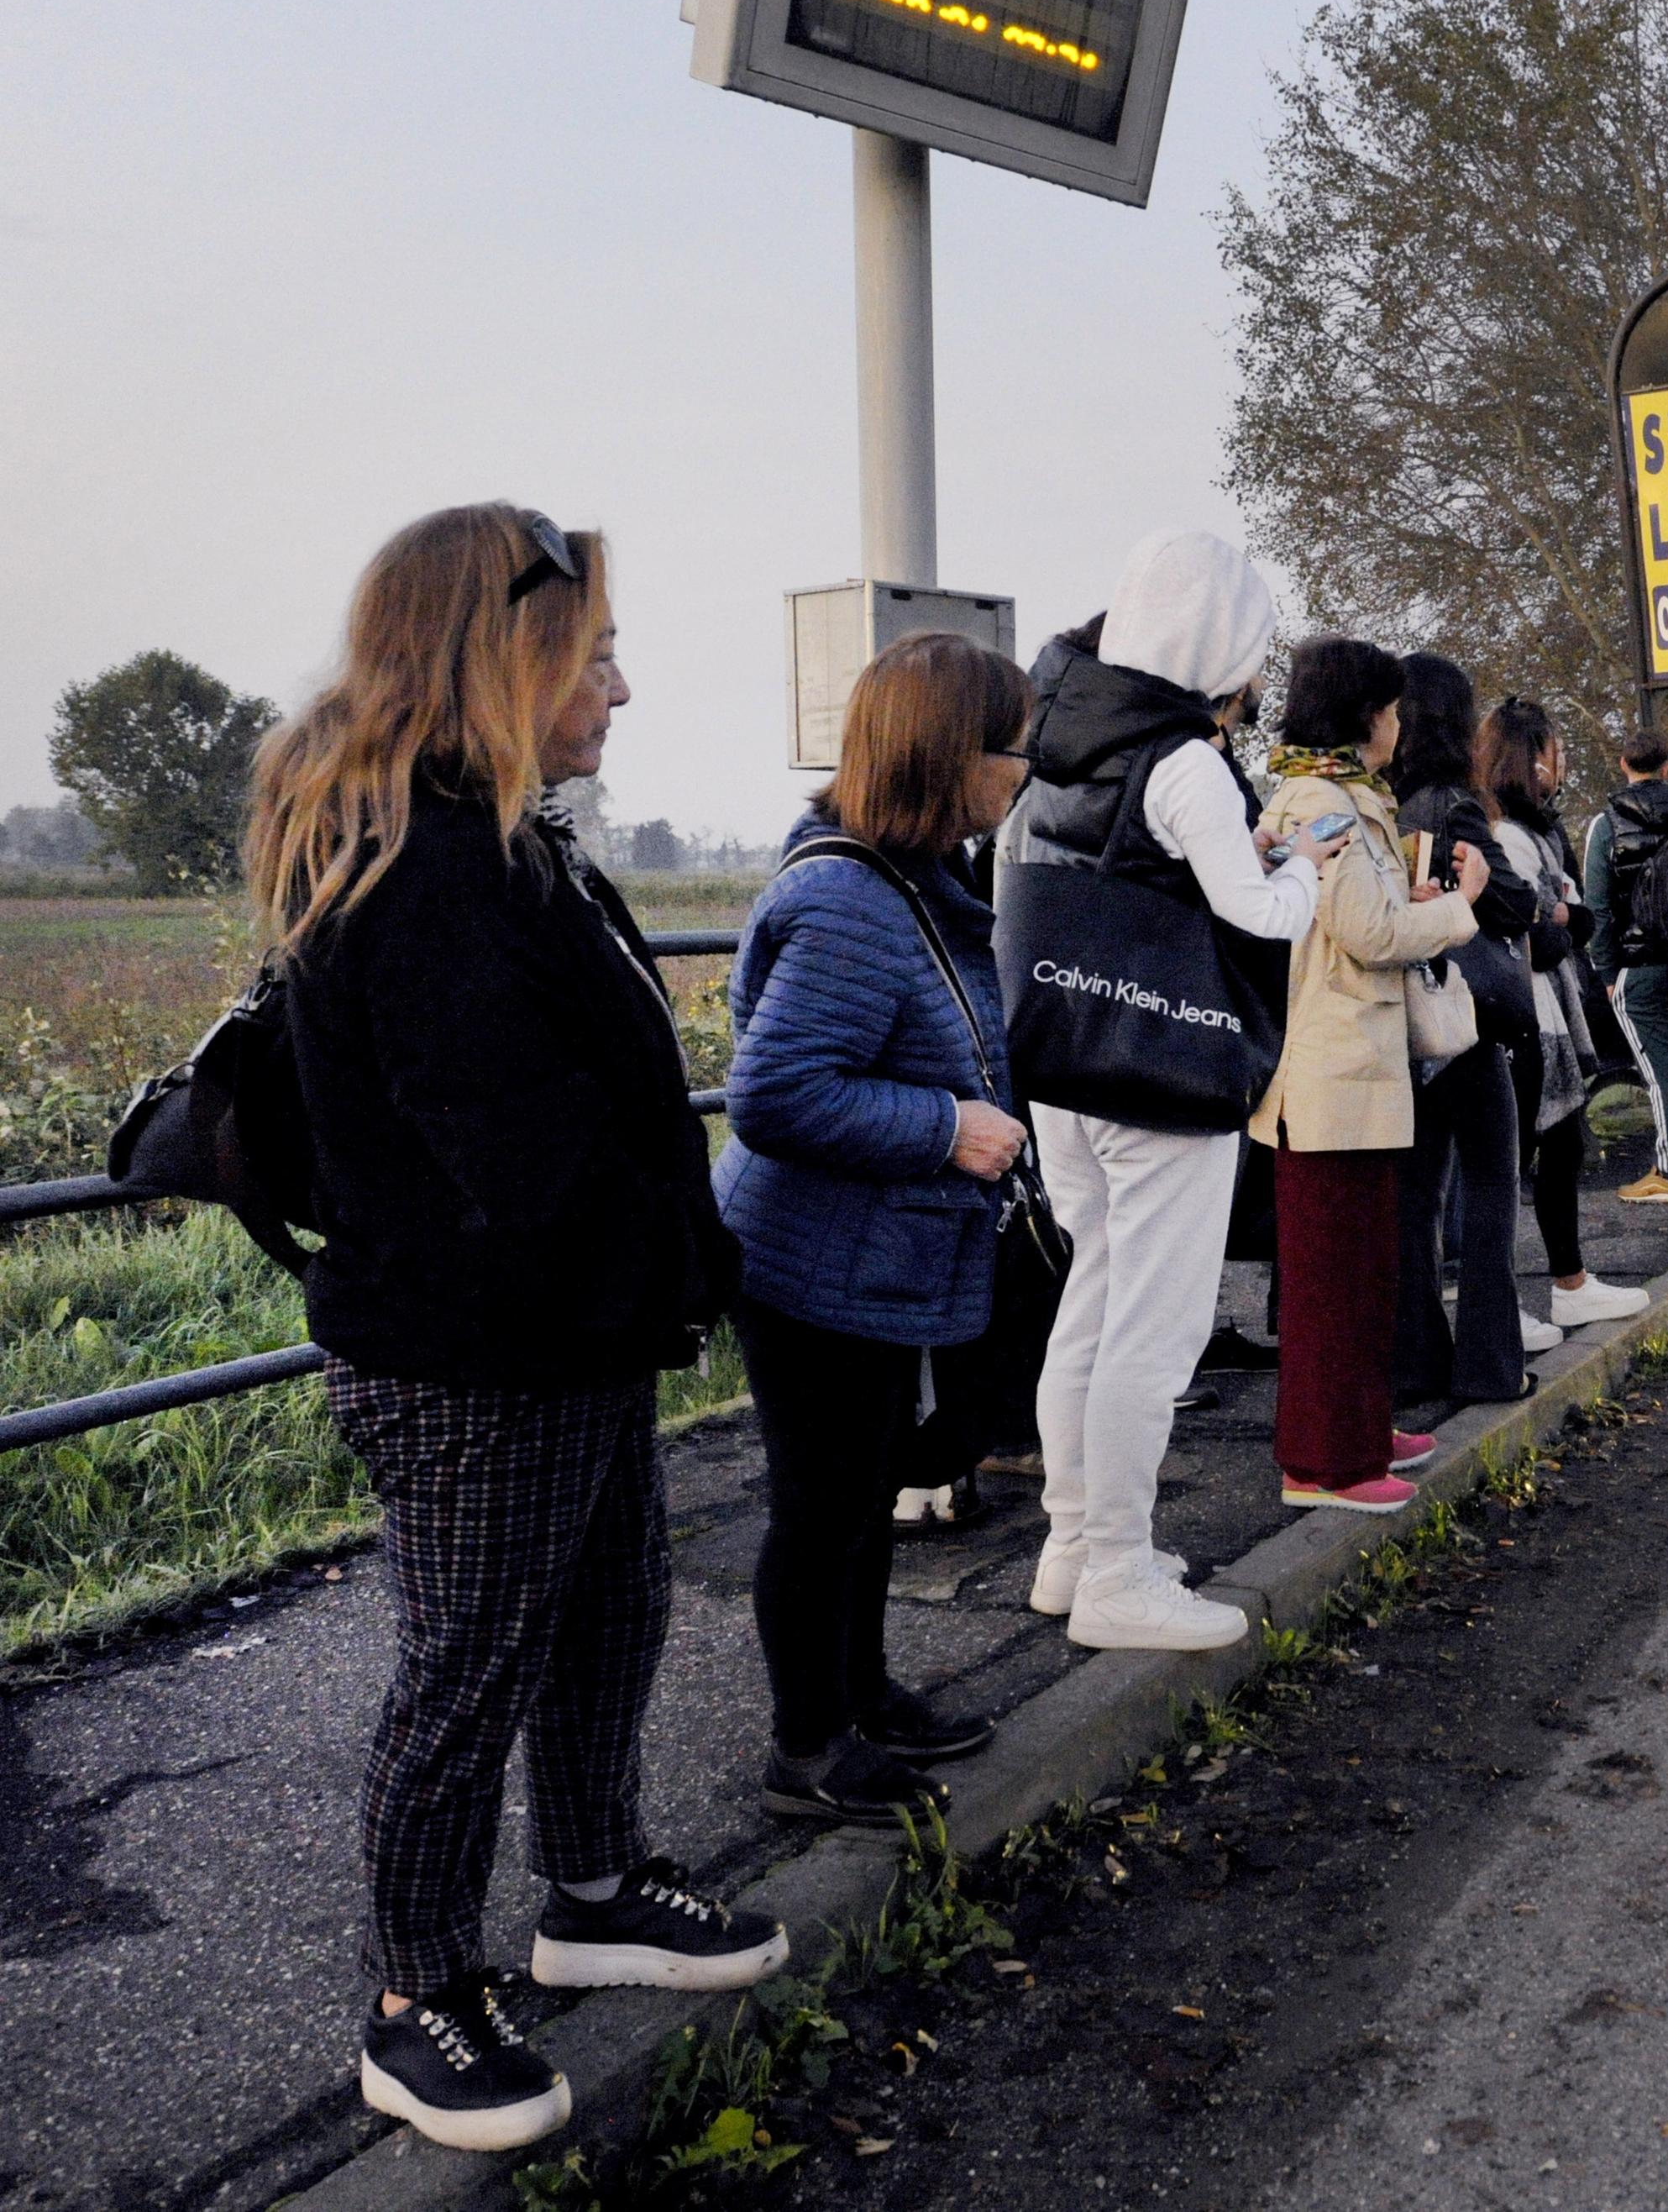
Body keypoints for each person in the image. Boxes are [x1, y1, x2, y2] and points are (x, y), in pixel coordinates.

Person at [251, 502, 784, 2153]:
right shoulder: (416, 869)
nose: (618, 689)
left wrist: (665, 1278)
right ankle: (415, 1995)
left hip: (570, 1332)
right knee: (470, 1660)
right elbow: (519, 1150)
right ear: (509, 655)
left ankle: (594, 1887)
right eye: (598, 651)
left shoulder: (505, 841)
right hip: (473, 1350)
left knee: (612, 1611)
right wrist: (670, 1268)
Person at [1004, 531, 1335, 1651]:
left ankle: (1071, 1546)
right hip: (1161, 1062)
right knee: (1158, 1321)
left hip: (1067, 1061)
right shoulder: (1183, 760)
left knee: (1094, 1300)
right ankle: (1118, 1576)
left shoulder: (1061, 734)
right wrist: (1304, 868)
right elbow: (1259, 916)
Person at [718, 632, 1023, 1822]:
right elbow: (776, 1091)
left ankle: (859, 1692)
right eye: (1008, 750)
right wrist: (946, 1125)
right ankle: (806, 1748)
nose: (1020, 774)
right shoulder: (851, 900)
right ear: (951, 758)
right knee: (823, 1503)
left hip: (865, 1254)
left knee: (864, 1488)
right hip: (812, 1261)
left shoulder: (892, 876)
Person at [1252, 636, 1490, 1510]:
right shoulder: (1328, 801)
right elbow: (1373, 938)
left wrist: (1413, 904)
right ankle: (1324, 1462)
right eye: (1389, 708)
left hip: (1345, 1070)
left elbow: (1361, 916)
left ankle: (1354, 1427)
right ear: (1364, 715)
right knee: (1334, 1279)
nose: (1398, 724)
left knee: (1359, 1269)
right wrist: (1459, 909)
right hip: (1335, 1076)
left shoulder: (1326, 796)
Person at [1388, 654, 1546, 1400]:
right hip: (1467, 1021)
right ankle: (1490, 1363)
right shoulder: (1454, 803)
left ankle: (1417, 1360)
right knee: (1490, 1186)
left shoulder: (1387, 802)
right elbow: (1511, 904)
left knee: (1416, 1195)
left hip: (1404, 1023)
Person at [1481, 695, 1650, 1329]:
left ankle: (1569, 1281)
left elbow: (1575, 916)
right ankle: (1515, 1298)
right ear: (1532, 759)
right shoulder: (1510, 834)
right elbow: (1538, 931)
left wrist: (1561, 915)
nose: (1563, 762)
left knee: (1558, 1149)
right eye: (1554, 750)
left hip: (1552, 1009)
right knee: (1521, 1154)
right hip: (1527, 1013)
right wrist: (1559, 916)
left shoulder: (1540, 833)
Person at [1582, 729, 1668, 1204]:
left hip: (1639, 963)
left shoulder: (1607, 824)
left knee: (1660, 1073)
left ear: (1623, 765)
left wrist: (1609, 974)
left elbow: (1598, 906)